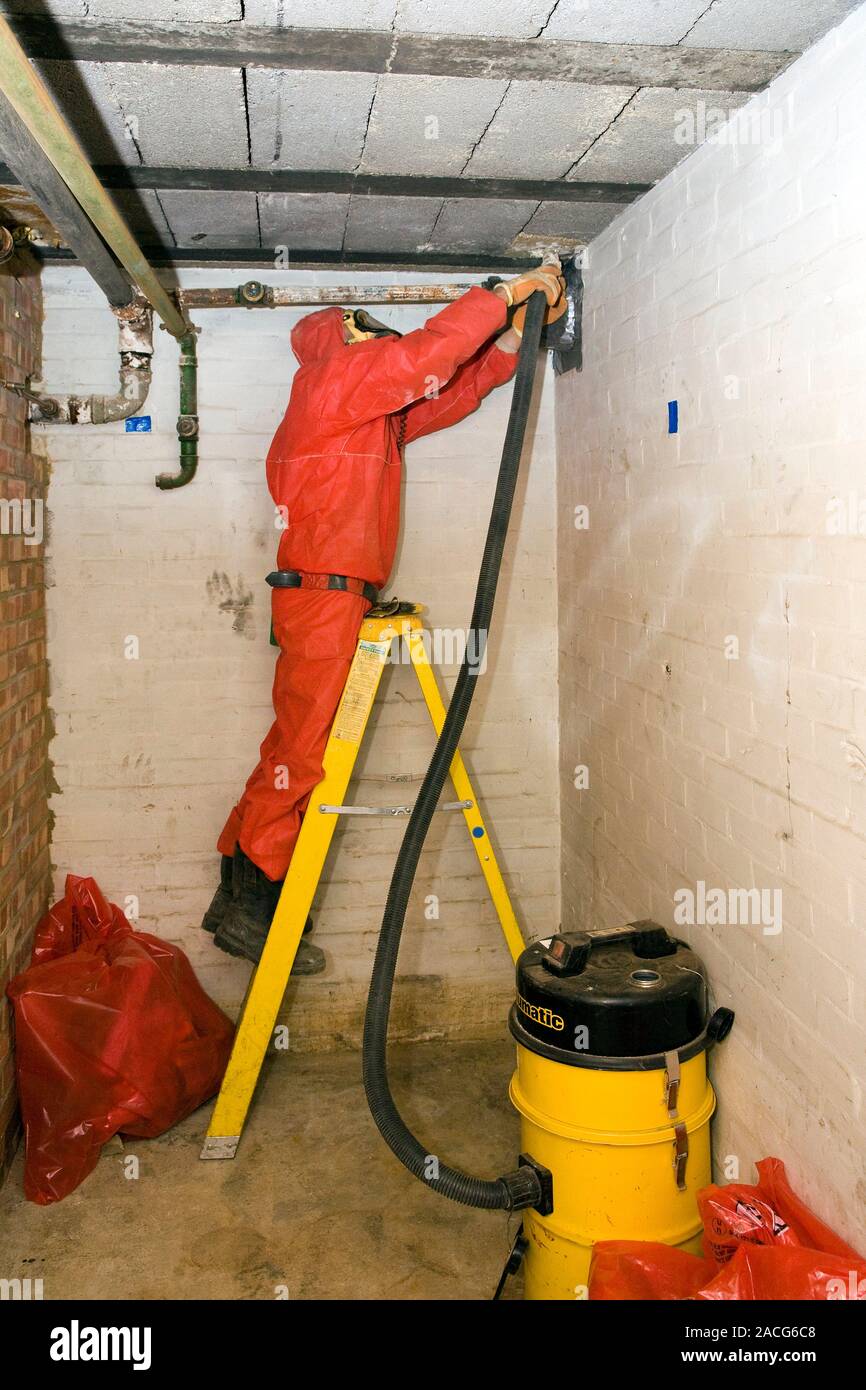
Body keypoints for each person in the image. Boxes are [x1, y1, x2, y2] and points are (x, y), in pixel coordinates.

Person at [202, 266, 566, 968]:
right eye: (371, 337)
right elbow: (424, 356)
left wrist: (509, 344)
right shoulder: (331, 382)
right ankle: (257, 907)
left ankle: (238, 890)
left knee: (291, 745)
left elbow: (441, 394)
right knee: (303, 753)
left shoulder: (361, 411)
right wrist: (502, 297)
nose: (382, 345)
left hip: (327, 595)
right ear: (344, 342)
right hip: (324, 596)